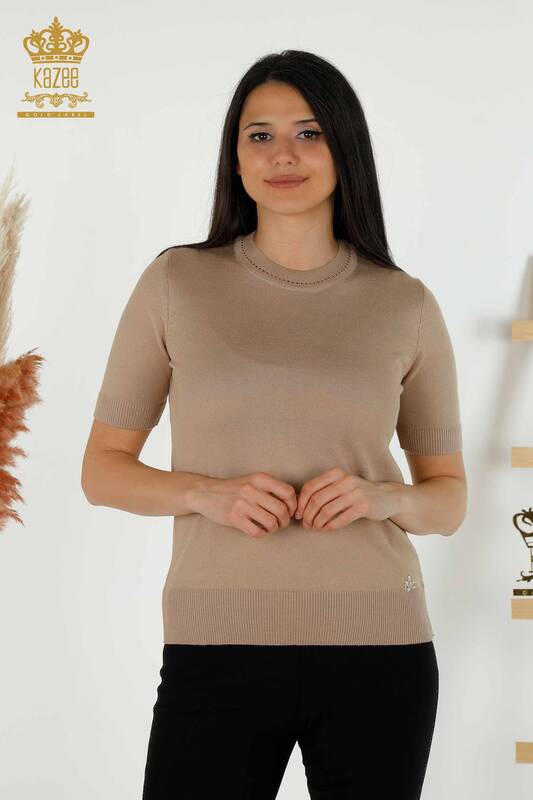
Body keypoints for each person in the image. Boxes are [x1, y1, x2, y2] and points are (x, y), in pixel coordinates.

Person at [81, 49, 467, 800]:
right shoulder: (175, 283)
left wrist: (384, 498)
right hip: (214, 645)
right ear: (235, 157)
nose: (282, 154)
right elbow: (101, 472)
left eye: (308, 132)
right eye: (259, 135)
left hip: (380, 650)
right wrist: (204, 493)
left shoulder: (405, 303)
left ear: (345, 148)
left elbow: (448, 500)